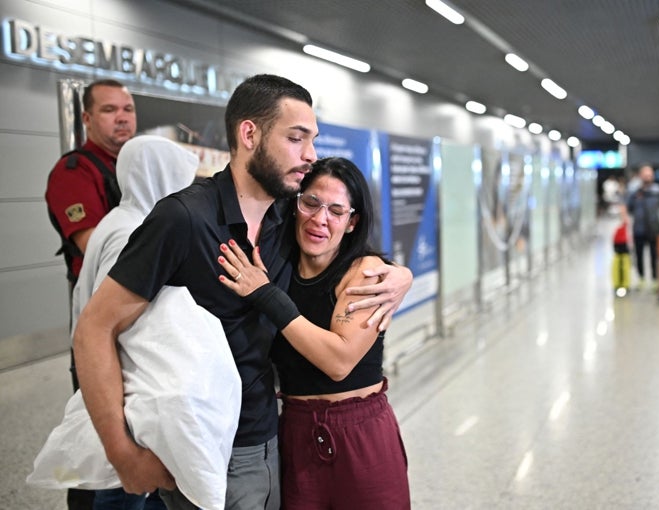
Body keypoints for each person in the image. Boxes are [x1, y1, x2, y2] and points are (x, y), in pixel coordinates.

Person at [73, 74, 412, 510]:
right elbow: (94, 329)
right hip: (204, 448)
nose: (310, 155)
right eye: (296, 138)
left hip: (272, 440)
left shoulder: (284, 218)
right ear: (249, 133)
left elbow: (344, 240)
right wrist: (123, 455)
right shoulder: (184, 219)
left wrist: (396, 275)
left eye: (312, 140)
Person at [217, 157, 411, 509]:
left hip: (360, 436)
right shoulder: (278, 267)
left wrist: (266, 296)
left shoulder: (365, 272)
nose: (320, 219)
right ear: (295, 204)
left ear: (352, 223)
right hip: (296, 433)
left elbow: (338, 361)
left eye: (336, 211)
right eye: (311, 203)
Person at [69, 135, 197, 510]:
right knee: (125, 490)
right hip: (126, 387)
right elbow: (118, 323)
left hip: (119, 382)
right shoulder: (133, 231)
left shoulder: (117, 220)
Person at [44, 78, 137, 510]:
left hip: (138, 319)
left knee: (135, 418)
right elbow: (97, 247)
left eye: (128, 109)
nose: (122, 118)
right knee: (97, 423)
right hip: (98, 319)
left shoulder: (135, 169)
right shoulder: (74, 172)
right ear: (86, 118)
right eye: (109, 110)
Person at [624, 165, 659, 289]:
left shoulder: (658, 191)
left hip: (654, 228)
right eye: (645, 175)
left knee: (655, 255)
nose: (647, 177)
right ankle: (641, 278)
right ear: (640, 176)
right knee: (638, 254)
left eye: (650, 175)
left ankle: (656, 279)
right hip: (639, 228)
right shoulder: (634, 192)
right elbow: (627, 207)